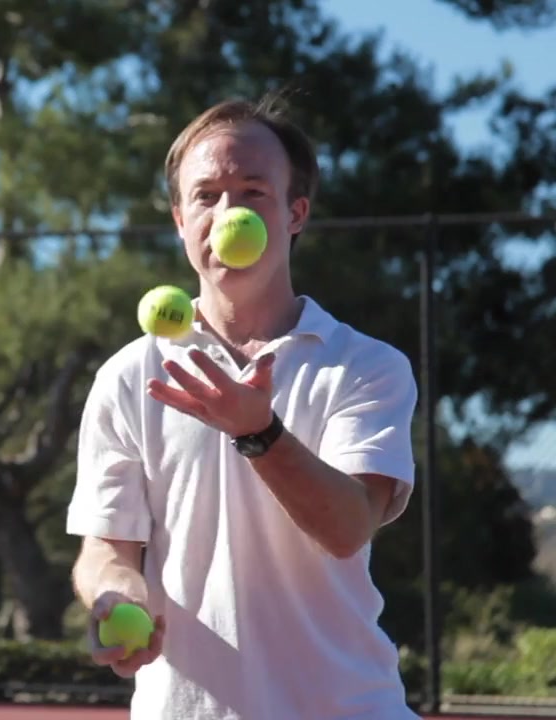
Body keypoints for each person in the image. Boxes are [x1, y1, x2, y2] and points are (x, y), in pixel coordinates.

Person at [66, 96, 420, 719]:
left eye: (253, 192)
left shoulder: (366, 366)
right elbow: (107, 548)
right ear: (181, 220)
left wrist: (260, 433)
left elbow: (347, 529)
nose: (227, 213)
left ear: (295, 213)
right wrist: (113, 596)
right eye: (206, 196)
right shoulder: (128, 375)